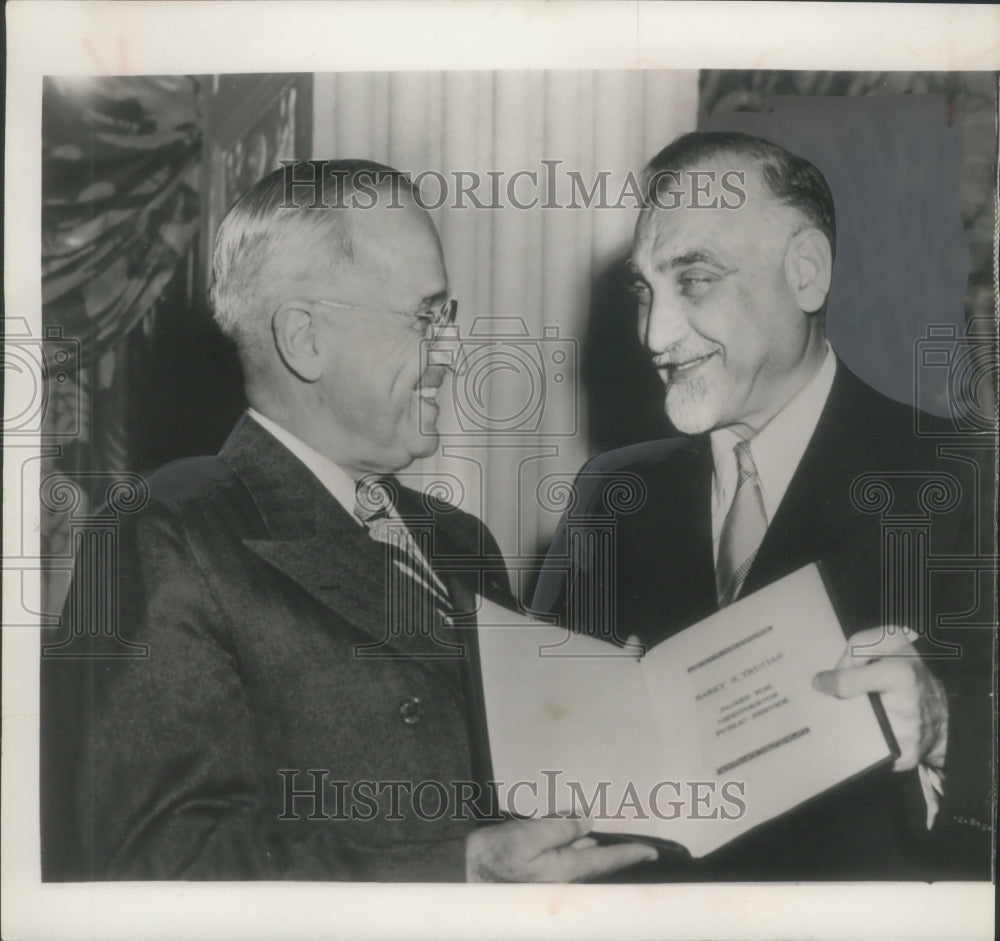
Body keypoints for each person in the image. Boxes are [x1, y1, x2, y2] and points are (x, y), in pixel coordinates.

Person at [40, 160, 658, 882]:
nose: (450, 353)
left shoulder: (460, 541)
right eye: (425, 316)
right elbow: (152, 866)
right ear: (305, 339)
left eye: (446, 316)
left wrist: (602, 707)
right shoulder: (165, 531)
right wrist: (458, 872)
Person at [533, 132, 993, 880]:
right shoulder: (607, 497)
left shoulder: (969, 480)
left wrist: (945, 726)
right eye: (645, 289)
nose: (654, 333)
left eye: (695, 278)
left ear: (806, 273)